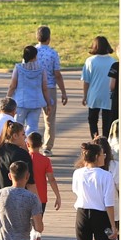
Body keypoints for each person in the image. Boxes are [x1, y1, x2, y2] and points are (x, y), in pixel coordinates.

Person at [70, 141, 116, 240]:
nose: (104, 157)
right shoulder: (106, 175)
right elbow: (109, 203)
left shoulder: (78, 173)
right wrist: (113, 226)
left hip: (82, 213)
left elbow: (75, 191)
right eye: (102, 154)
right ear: (97, 157)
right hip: (100, 215)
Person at [34, 26, 66, 154]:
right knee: (49, 119)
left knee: (33, 117)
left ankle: (33, 144)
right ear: (49, 38)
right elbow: (57, 74)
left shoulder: (32, 51)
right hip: (50, 87)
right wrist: (63, 91)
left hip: (34, 88)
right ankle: (47, 146)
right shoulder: (53, 53)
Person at [8, 45, 51, 137]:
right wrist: (48, 103)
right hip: (36, 103)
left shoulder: (19, 68)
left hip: (20, 103)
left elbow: (13, 86)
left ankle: (18, 146)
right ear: (35, 56)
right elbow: (45, 88)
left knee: (17, 127)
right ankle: (30, 147)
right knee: (33, 128)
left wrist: (7, 99)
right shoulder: (41, 69)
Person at [80, 35, 116, 138]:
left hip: (94, 95)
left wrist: (84, 96)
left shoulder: (90, 61)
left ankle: (95, 139)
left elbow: (86, 81)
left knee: (92, 120)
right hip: (108, 95)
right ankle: (106, 142)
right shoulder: (113, 61)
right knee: (107, 121)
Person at [27, 131, 61, 212]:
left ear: (27, 144)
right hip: (41, 197)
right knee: (38, 222)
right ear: (41, 145)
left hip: (26, 195)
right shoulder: (45, 160)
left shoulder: (24, 158)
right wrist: (58, 196)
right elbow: (51, 179)